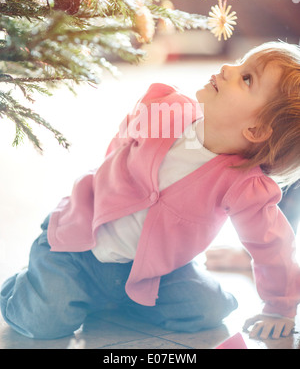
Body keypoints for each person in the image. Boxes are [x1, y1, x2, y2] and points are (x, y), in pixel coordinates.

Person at [1, 41, 300, 341]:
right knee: (43, 319)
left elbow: (272, 246)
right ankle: (35, 281)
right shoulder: (165, 108)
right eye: (239, 62)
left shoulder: (245, 185)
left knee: (209, 308)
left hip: (152, 272)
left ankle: (109, 299)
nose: (228, 68)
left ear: (257, 131)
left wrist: (279, 308)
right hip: (80, 243)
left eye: (247, 78)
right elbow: (120, 144)